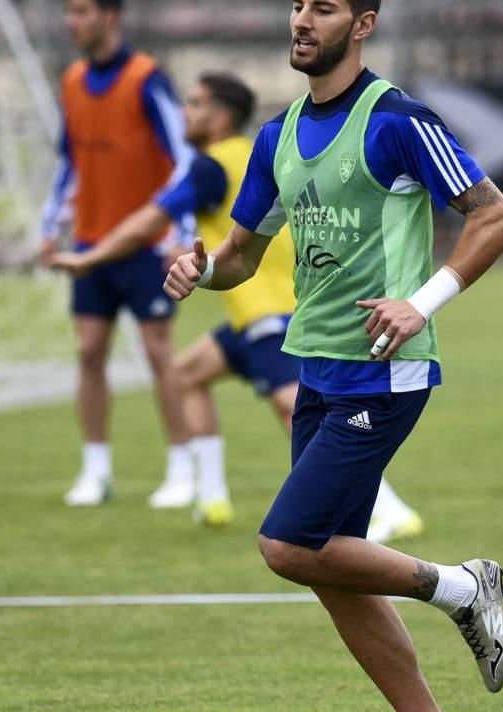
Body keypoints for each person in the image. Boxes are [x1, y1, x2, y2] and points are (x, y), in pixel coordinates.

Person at [164, 0, 503, 712]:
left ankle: (465, 587)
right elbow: (242, 258)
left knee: (288, 547)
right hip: (317, 370)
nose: (301, 20)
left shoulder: (397, 119)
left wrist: (421, 302)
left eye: (322, 9)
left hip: (384, 371)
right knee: (333, 567)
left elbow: (495, 217)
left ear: (361, 25)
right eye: (296, 5)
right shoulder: (277, 136)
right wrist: (199, 272)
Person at [53, 71, 424, 540]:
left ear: (221, 115)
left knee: (296, 412)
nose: (185, 112)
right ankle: (212, 498)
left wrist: (93, 257)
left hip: (266, 313)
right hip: (270, 308)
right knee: (188, 374)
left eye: (195, 104)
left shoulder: (210, 165)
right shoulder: (258, 152)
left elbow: (154, 216)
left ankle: (389, 508)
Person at [38, 0, 193, 507]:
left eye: (82, 10)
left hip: (146, 246)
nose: (72, 21)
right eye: (69, 12)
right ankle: (96, 468)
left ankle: (181, 467)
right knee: (88, 351)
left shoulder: (147, 78)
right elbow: (69, 164)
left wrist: (180, 231)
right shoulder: (72, 80)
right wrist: (49, 227)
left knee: (157, 351)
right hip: (89, 242)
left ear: (111, 16)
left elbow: (185, 159)